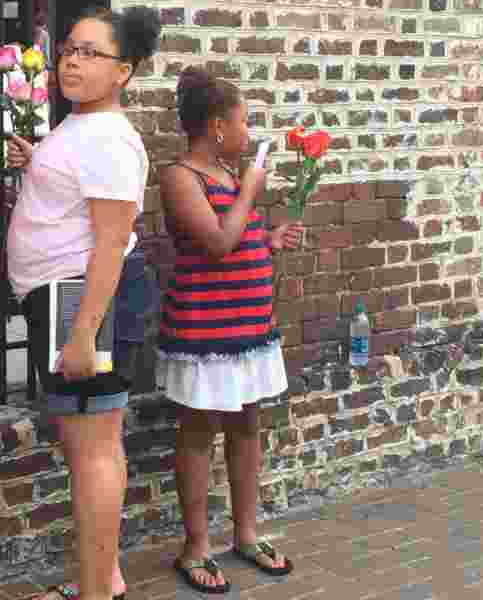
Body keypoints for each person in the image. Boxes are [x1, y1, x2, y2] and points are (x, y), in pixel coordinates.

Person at [6, 6, 161, 600]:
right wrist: (37, 163)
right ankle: (106, 579)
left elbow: (112, 244)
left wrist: (81, 334)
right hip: (67, 296)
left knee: (93, 451)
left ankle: (97, 592)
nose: (72, 59)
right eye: (70, 48)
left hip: (82, 299)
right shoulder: (82, 127)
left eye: (91, 52)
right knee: (89, 447)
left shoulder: (111, 139)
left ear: (123, 71)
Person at [157, 67, 304, 594]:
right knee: (199, 432)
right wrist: (251, 191)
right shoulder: (181, 177)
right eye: (244, 121)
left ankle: (246, 532)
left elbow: (240, 239)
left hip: (248, 325)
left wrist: (271, 240)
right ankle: (195, 545)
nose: (248, 132)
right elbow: (217, 243)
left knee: (247, 427)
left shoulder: (226, 173)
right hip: (204, 331)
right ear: (217, 126)